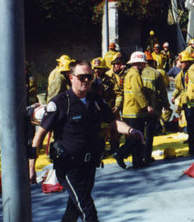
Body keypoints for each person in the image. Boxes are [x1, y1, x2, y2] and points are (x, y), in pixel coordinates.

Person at [29, 60, 144, 222]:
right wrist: (32, 167)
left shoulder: (95, 100)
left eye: (89, 77)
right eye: (81, 77)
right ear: (71, 77)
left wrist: (132, 131)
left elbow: (113, 121)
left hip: (90, 164)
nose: (86, 81)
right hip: (69, 166)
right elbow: (40, 135)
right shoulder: (60, 103)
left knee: (74, 208)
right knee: (88, 210)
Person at [113, 52, 153, 169]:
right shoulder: (135, 75)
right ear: (139, 64)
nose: (145, 66)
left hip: (129, 110)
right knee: (137, 137)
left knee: (135, 137)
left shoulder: (129, 73)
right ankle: (120, 153)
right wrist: (146, 106)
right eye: (143, 64)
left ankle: (137, 162)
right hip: (135, 112)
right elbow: (137, 92)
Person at [141, 55, 170, 162]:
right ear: (153, 62)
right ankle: (147, 156)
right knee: (149, 134)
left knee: (140, 132)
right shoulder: (156, 73)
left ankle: (139, 155)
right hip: (153, 108)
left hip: (139, 108)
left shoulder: (136, 72)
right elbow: (162, 91)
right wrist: (166, 105)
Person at [171, 51, 194, 132]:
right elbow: (178, 88)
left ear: (188, 62)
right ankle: (190, 137)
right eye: (180, 62)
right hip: (185, 101)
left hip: (193, 100)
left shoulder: (193, 72)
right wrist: (174, 95)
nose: (180, 64)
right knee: (186, 120)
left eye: (182, 62)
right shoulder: (180, 75)